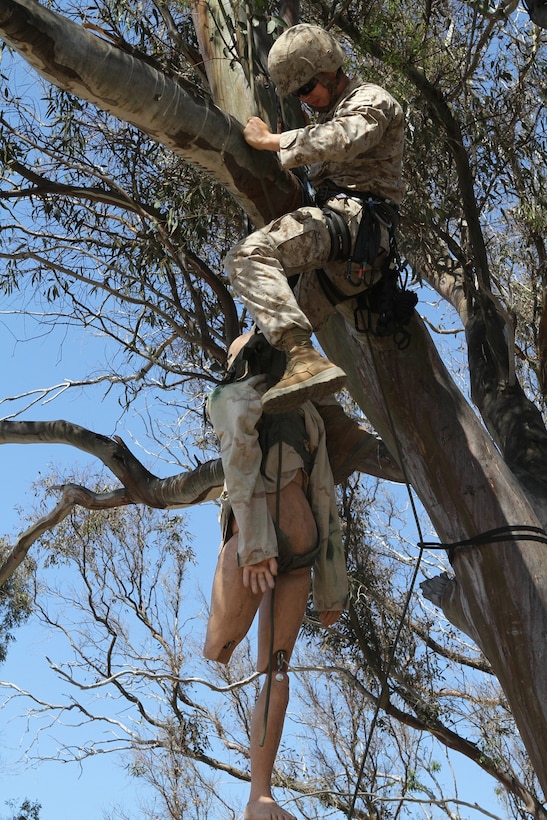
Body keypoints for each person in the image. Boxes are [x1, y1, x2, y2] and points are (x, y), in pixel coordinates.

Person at [203, 331, 348, 820]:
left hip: (257, 538)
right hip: (301, 541)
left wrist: (256, 543)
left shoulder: (232, 395)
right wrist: (332, 582)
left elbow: (240, 463)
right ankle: (260, 796)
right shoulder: (308, 413)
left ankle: (258, 797)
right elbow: (323, 496)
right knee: (277, 667)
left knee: (216, 652)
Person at [224, 23, 405, 415]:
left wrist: (273, 143)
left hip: (356, 226)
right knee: (265, 351)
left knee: (246, 256)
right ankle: (334, 426)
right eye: (299, 94)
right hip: (342, 249)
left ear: (328, 69)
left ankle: (303, 356)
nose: (306, 99)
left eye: (307, 88)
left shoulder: (372, 100)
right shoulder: (325, 118)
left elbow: (343, 139)